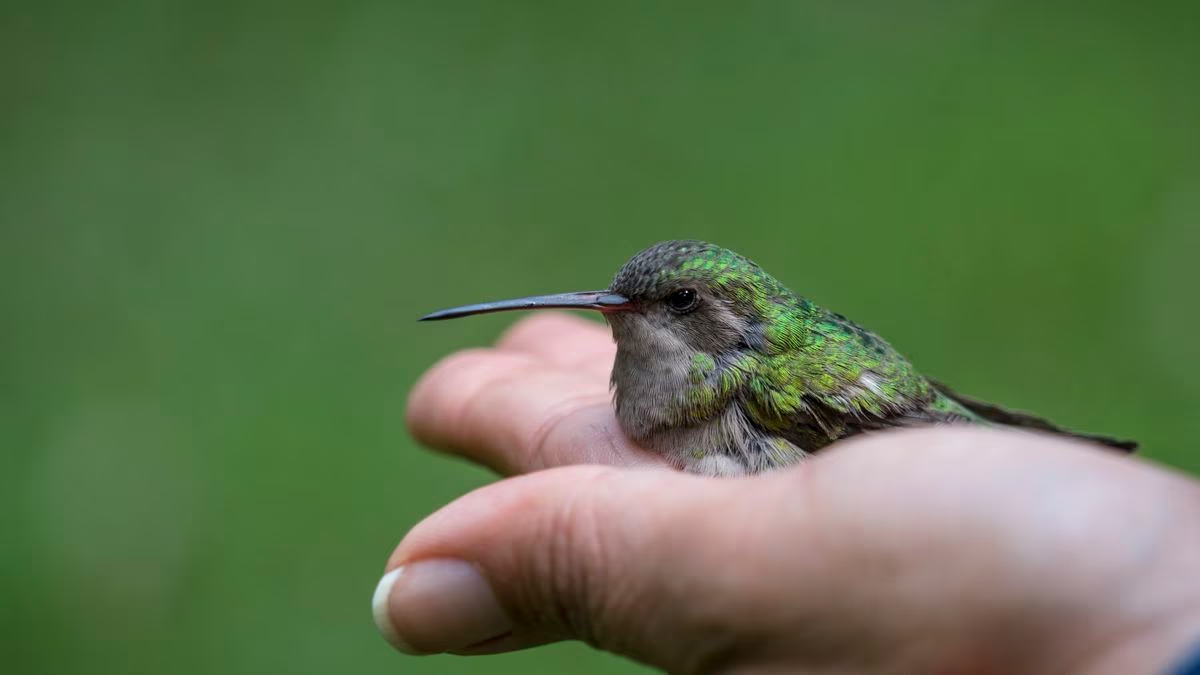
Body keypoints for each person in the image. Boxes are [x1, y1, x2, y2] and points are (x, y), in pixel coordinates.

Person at [374, 314, 1200, 674]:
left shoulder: (757, 380)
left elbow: (900, 417)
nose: (622, 317)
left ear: (722, 322)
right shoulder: (657, 370)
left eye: (675, 304)